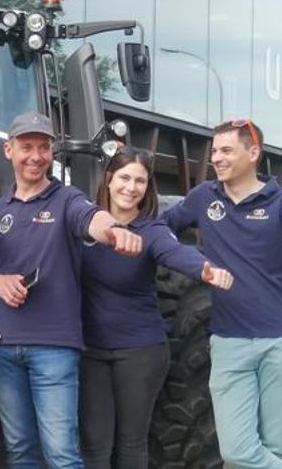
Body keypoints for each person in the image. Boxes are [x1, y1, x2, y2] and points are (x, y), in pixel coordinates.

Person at [161, 119, 282, 469]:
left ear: (253, 153)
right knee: (236, 451)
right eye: (214, 151)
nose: (217, 158)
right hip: (229, 341)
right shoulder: (203, 198)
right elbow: (161, 227)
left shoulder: (281, 199)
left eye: (226, 150)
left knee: (275, 445)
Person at [0, 112, 142, 469]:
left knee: (62, 453)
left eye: (43, 147)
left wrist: (113, 230)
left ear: (52, 152)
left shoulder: (67, 198)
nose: (35, 156)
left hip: (54, 348)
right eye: (26, 147)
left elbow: (92, 219)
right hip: (2, 347)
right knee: (20, 449)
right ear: (9, 150)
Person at [78, 147, 233, 469]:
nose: (130, 187)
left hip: (140, 351)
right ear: (108, 179)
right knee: (94, 445)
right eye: (124, 178)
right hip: (90, 350)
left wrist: (203, 269)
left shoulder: (152, 231)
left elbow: (175, 252)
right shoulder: (86, 225)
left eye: (140, 181)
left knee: (131, 444)